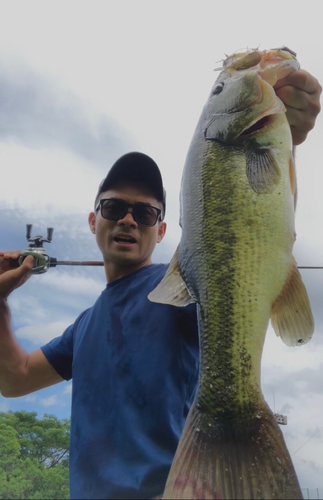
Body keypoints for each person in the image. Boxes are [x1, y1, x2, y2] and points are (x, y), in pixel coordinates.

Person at [0, 69, 321, 499]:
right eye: (114, 207)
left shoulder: (181, 289)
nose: (129, 219)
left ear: (162, 230)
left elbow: (242, 247)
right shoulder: (84, 327)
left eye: (146, 213)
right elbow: (15, 379)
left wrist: (281, 141)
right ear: (94, 221)